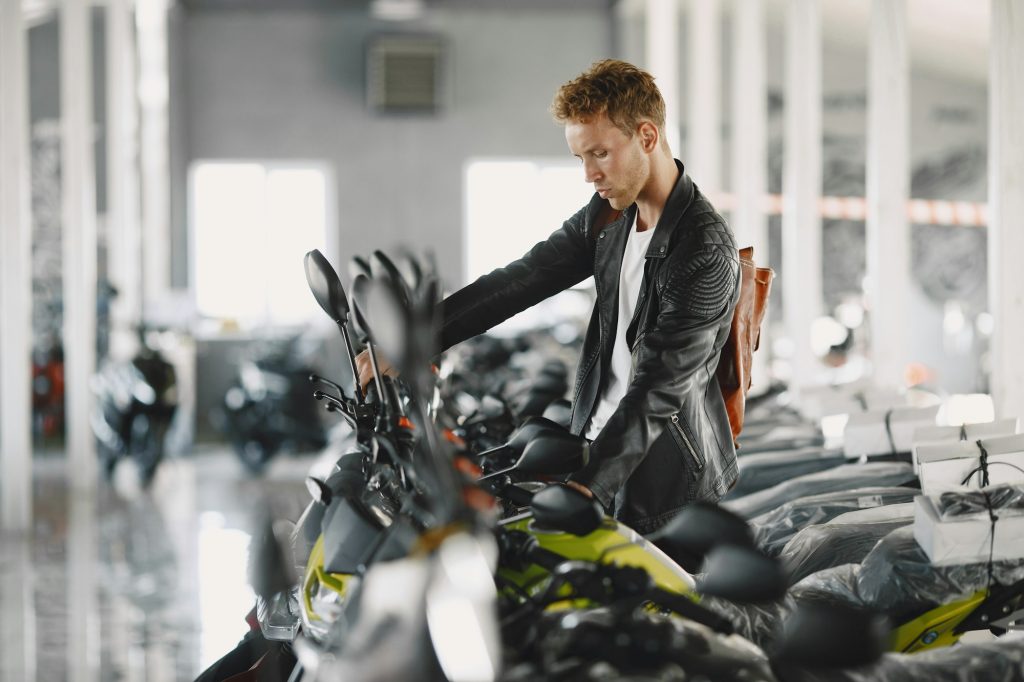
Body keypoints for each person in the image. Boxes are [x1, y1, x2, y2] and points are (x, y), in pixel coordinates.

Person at [358, 59, 740, 533]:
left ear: (647, 136)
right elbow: (522, 278)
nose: (589, 175)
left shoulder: (703, 249)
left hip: (664, 492)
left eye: (599, 153)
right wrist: (418, 340)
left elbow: (660, 388)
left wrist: (589, 486)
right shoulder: (609, 219)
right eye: (580, 158)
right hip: (594, 455)